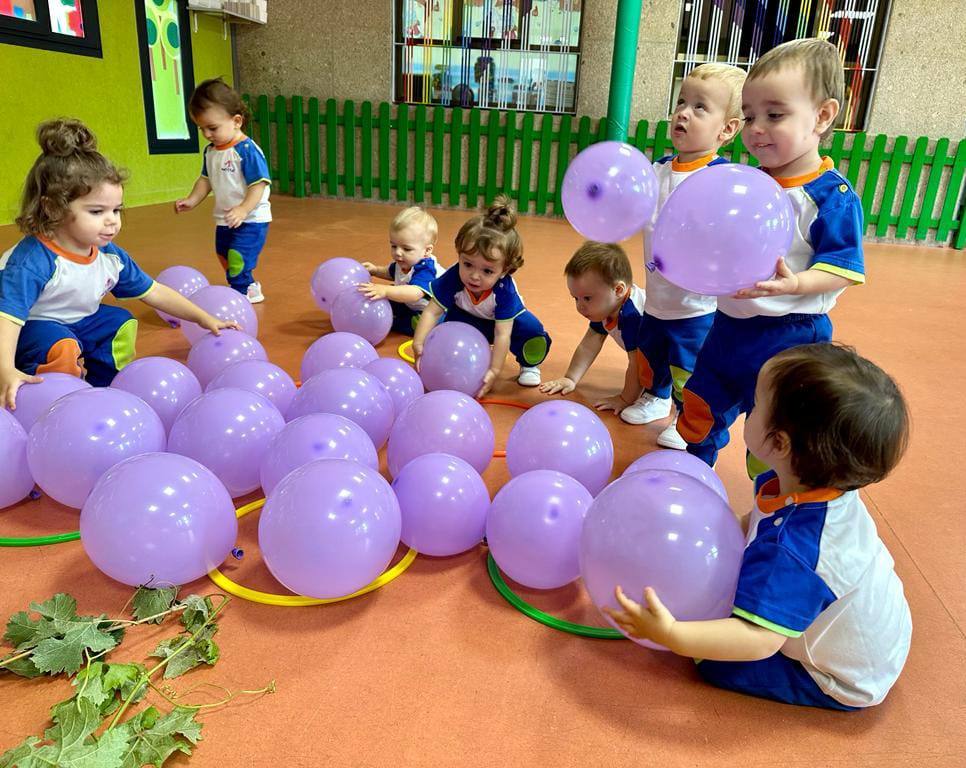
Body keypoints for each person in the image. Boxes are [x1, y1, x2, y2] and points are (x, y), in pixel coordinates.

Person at [607, 343, 912, 711]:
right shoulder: (806, 484)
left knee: (713, 661)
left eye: (755, 404)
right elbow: (755, 521)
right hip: (879, 635)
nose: (747, 411)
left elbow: (759, 639)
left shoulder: (793, 551)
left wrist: (673, 634)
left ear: (779, 443)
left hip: (844, 676)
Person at [676, 39, 865, 473]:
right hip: (729, 323)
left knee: (776, 427)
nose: (756, 128)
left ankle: (771, 496)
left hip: (791, 335)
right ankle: (693, 471)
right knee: (703, 401)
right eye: (750, 116)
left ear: (822, 115)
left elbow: (845, 269)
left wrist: (796, 283)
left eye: (775, 115)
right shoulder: (743, 184)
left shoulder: (831, 197)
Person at [0, 119, 238, 408]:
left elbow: (154, 291)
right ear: (53, 208)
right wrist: (6, 371)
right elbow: (8, 320)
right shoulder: (32, 261)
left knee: (119, 323)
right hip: (29, 328)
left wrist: (203, 318)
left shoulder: (109, 256)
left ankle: (107, 389)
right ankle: (60, 400)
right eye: (97, 211)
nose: (112, 220)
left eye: (116, 209)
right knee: (62, 346)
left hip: (78, 321)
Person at [622, 63, 746, 450]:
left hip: (696, 305)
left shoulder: (723, 179)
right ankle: (655, 397)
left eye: (699, 107)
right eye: (681, 102)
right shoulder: (658, 169)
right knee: (651, 352)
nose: (683, 112)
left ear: (727, 129)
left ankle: (683, 415)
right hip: (658, 294)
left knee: (687, 366)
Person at [413, 195, 551, 397]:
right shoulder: (454, 276)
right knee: (444, 330)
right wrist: (419, 343)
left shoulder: (505, 290)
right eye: (467, 264)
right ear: (459, 254)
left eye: (487, 271)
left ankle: (529, 365)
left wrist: (494, 370)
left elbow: (502, 334)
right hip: (466, 317)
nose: (474, 276)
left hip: (502, 321)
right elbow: (432, 311)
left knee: (531, 330)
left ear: (505, 270)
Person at [175, 77, 271, 304]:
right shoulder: (211, 151)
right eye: (201, 128)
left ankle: (241, 294)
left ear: (236, 121)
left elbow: (259, 184)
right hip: (225, 218)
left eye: (213, 128)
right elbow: (205, 180)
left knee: (237, 258)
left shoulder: (246, 150)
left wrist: (243, 210)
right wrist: (192, 200)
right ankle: (248, 285)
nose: (207, 134)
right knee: (224, 255)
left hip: (251, 219)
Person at [539, 242, 646, 414]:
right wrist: (570, 378)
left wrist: (625, 399)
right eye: (576, 298)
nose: (580, 307)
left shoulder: (633, 316)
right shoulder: (607, 306)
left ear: (618, 289)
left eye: (587, 298)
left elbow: (637, 363)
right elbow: (590, 343)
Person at [358, 206, 444, 336]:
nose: (398, 252)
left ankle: (400, 321)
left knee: (425, 323)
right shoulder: (404, 261)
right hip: (410, 304)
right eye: (394, 246)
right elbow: (390, 272)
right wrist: (375, 270)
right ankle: (393, 317)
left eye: (406, 249)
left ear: (427, 251)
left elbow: (415, 292)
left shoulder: (426, 268)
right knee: (384, 297)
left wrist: (386, 291)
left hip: (432, 310)